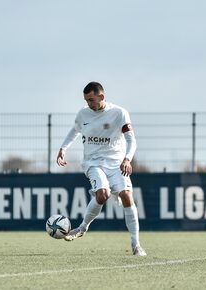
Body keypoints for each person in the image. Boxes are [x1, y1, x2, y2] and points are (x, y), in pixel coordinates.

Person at [56, 81, 146, 256]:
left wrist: (127, 159)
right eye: (86, 100)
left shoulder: (119, 113)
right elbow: (75, 130)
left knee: (127, 196)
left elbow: (131, 140)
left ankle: (136, 245)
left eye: (91, 100)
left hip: (117, 163)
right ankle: (82, 228)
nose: (88, 104)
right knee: (102, 194)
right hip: (93, 163)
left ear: (101, 97)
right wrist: (63, 148)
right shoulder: (83, 114)